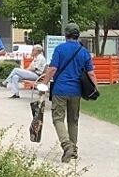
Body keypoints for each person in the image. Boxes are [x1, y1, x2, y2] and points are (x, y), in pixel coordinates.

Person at [39, 22, 95, 163]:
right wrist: (95, 88)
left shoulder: (60, 49)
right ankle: (74, 149)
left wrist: (43, 83)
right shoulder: (84, 52)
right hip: (76, 91)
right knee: (73, 120)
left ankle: (66, 146)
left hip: (60, 90)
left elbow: (52, 69)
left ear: (66, 35)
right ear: (78, 35)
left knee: (58, 119)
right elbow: (91, 73)